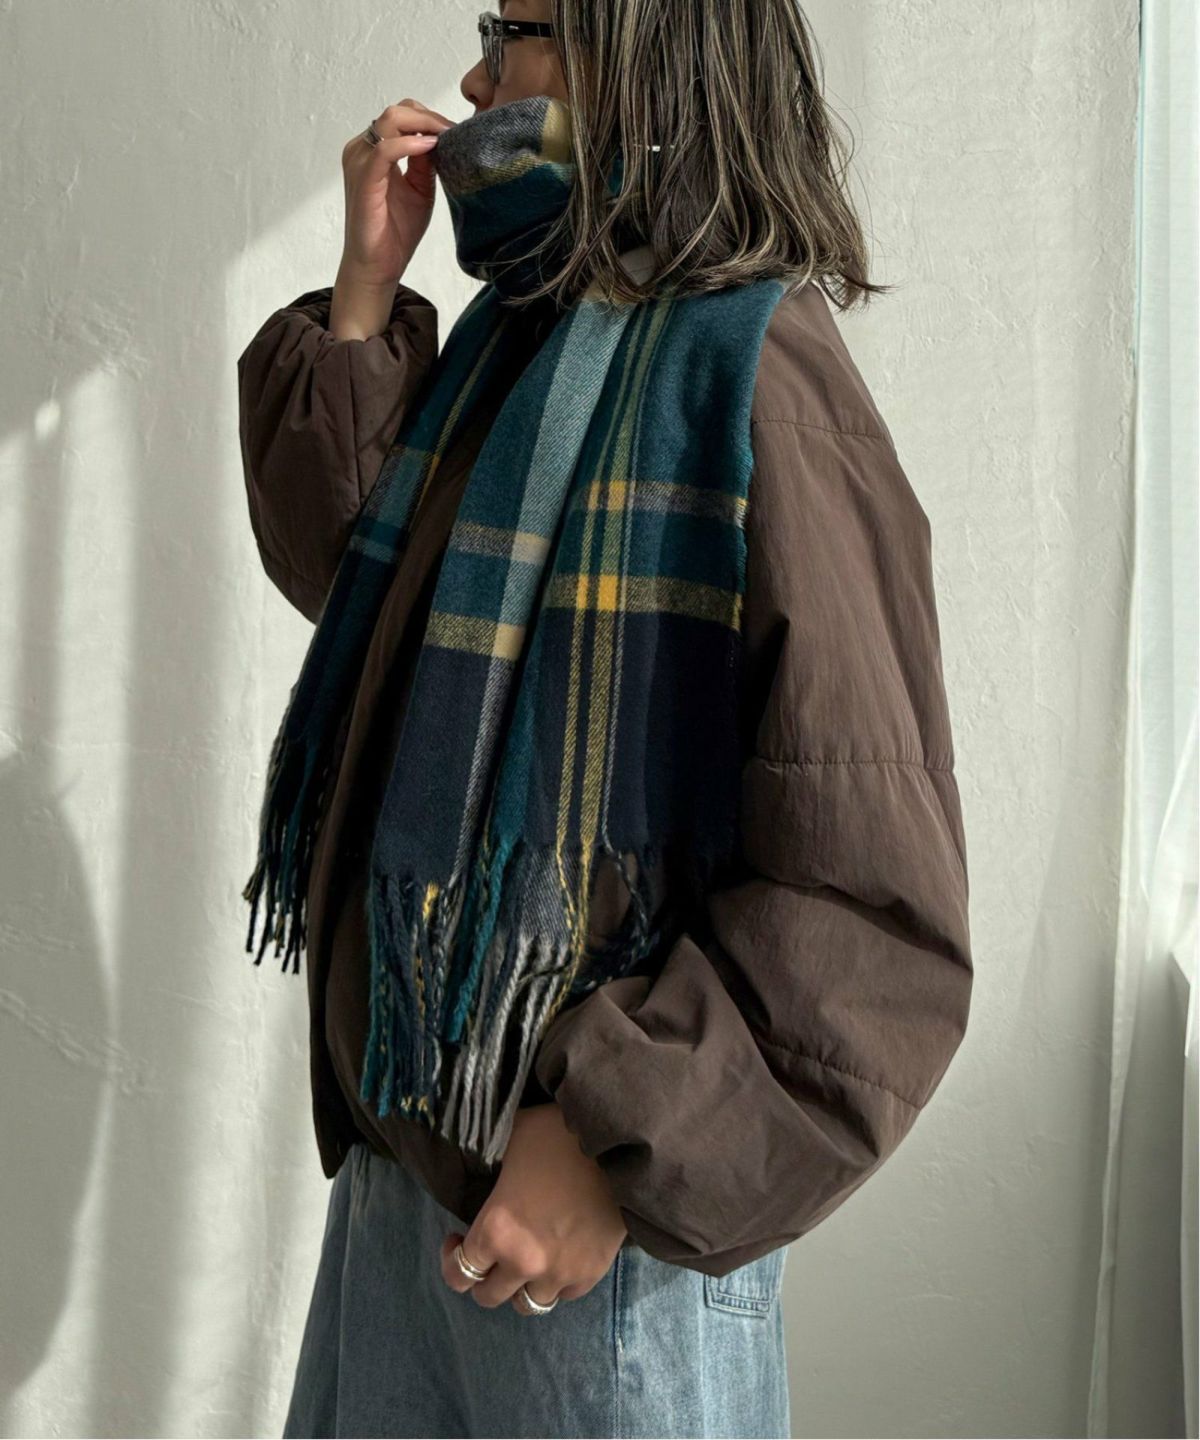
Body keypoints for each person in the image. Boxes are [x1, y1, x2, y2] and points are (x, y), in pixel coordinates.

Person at [235, 2, 974, 1436]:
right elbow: (363, 600)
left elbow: (876, 911)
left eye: (511, 32)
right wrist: (366, 299)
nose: (474, 78)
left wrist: (609, 1140)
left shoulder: (755, 373)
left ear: (633, 55)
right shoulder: (521, 342)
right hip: (407, 1183)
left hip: (601, 1253)